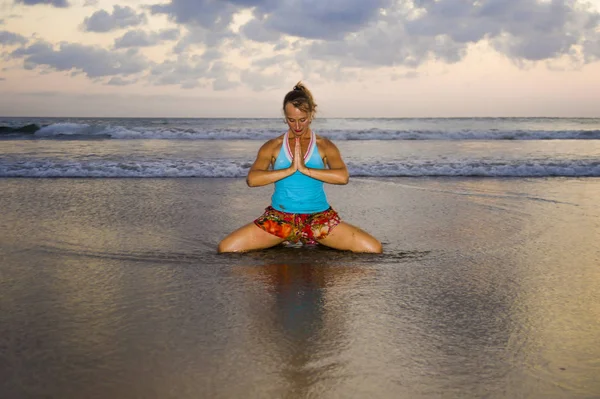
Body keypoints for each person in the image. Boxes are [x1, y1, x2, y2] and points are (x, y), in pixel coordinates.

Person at [217, 82, 382, 253]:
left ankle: (306, 238)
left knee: (373, 249)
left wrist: (305, 169)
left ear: (311, 115)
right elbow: (252, 180)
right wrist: (289, 170)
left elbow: (343, 177)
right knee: (226, 248)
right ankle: (287, 238)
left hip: (318, 220)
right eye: (291, 120)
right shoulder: (273, 146)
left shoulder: (324, 145)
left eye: (302, 120)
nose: (297, 126)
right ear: (285, 117)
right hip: (281, 220)